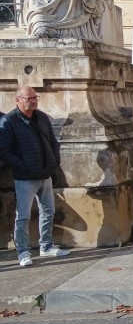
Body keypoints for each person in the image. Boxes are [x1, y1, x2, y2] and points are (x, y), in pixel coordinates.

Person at [0, 86, 70, 266]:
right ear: (18, 100)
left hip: (45, 174)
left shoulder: (42, 117)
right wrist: (23, 165)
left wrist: (54, 161)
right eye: (29, 98)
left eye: (35, 98)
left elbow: (53, 142)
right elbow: (3, 150)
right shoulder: (9, 121)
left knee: (48, 212)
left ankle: (46, 246)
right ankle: (23, 252)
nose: (33, 101)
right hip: (25, 178)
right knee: (23, 216)